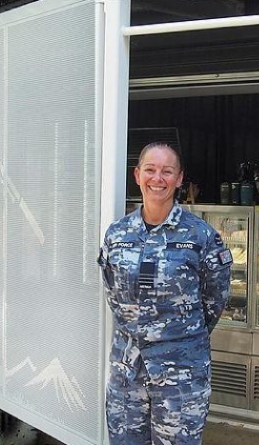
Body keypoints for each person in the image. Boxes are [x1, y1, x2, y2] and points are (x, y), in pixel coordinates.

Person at [97, 142, 232, 444]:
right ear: (137, 175)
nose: (157, 178)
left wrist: (178, 338)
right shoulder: (117, 234)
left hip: (179, 376)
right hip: (127, 372)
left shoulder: (201, 236)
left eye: (167, 171)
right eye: (150, 170)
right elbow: (113, 293)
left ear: (179, 178)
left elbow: (216, 298)